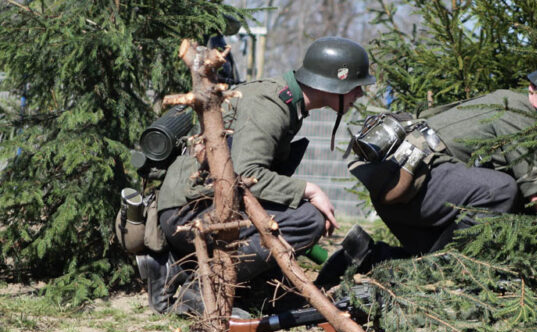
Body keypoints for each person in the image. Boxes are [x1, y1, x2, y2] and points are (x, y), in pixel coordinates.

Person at [137, 36, 375, 314]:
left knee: (297, 216)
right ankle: (205, 290)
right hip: (187, 213)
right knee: (309, 219)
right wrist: (308, 189)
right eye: (355, 86)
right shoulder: (271, 105)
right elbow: (245, 173)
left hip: (197, 206)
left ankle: (181, 267)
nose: (360, 94)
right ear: (334, 83)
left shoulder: (286, 101)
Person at [327, 54, 537, 281]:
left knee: (425, 263)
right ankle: (453, 275)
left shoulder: (503, 101)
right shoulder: (520, 113)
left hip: (404, 188)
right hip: (415, 184)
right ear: (535, 88)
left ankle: (364, 256)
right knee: (499, 191)